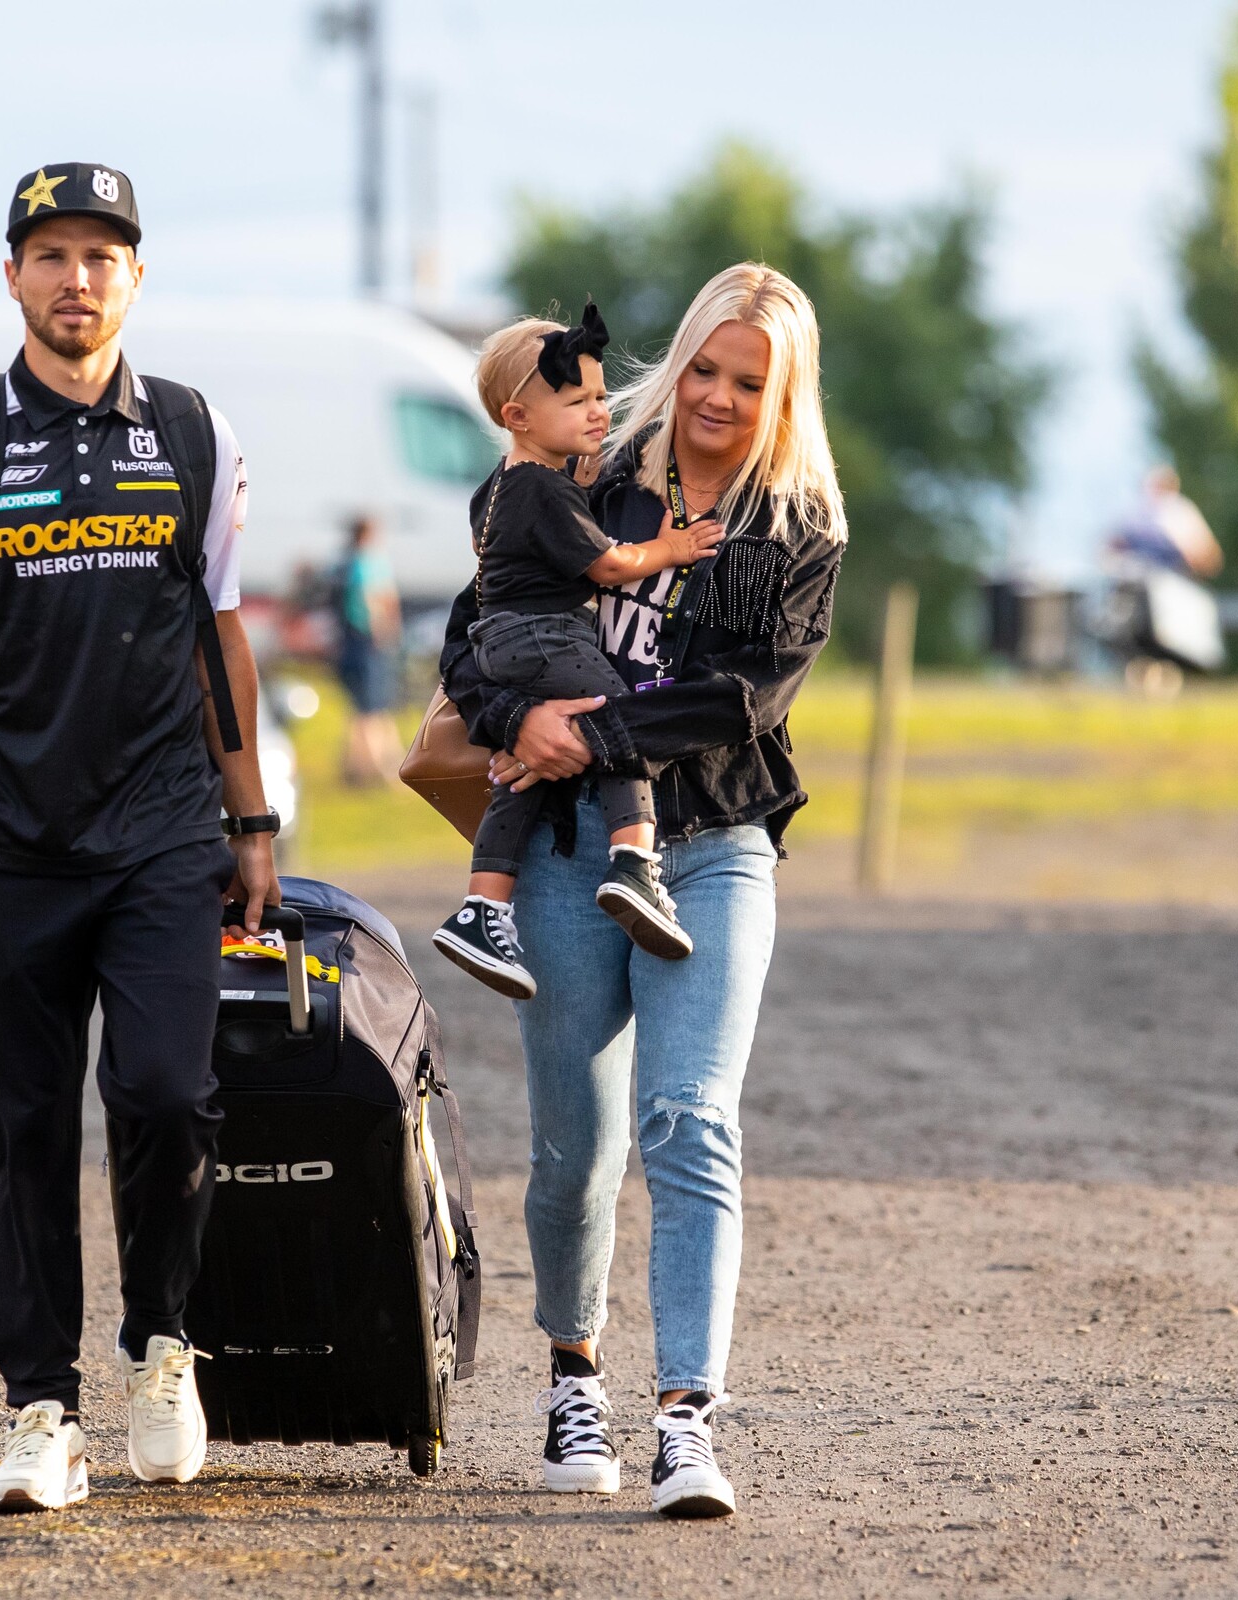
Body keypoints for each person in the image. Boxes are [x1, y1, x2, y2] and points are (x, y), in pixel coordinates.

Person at [0, 161, 280, 1514]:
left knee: (166, 1095)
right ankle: (43, 1409)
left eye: (103, 255)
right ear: (13, 277)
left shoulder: (197, 435)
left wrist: (251, 815)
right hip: (9, 845)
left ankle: (163, 1344)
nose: (77, 277)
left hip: (163, 838)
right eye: (52, 254)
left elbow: (222, 638)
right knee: (27, 1131)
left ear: (136, 278)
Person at [439, 263, 846, 1518]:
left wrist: (591, 736)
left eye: (751, 381)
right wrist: (523, 720)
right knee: (578, 1145)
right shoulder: (582, 479)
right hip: (564, 846)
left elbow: (740, 698)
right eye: (708, 370)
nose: (720, 398)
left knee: (692, 1120)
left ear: (787, 394)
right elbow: (473, 637)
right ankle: (575, 1370)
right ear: (679, 362)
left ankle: (686, 1421)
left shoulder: (799, 532)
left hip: (715, 843)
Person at [431, 302, 725, 999]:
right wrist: (674, 547)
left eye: (599, 396)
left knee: (528, 770)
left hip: (499, 644)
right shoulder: (542, 488)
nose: (599, 412)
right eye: (577, 401)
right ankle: (632, 862)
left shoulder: (497, 490)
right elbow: (609, 566)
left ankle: (483, 906)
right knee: (617, 717)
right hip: (546, 636)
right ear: (518, 417)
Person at [333, 514, 404, 785]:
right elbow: (375, 598)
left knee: (362, 706)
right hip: (369, 640)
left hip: (350, 640)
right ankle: (382, 771)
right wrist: (385, 630)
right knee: (372, 707)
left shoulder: (345, 561)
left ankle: (356, 767)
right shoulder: (370, 562)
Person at [1107, 466, 1223, 578]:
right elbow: (1112, 548)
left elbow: (1210, 560)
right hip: (1142, 578)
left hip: (1172, 579)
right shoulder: (1135, 515)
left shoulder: (1180, 511)